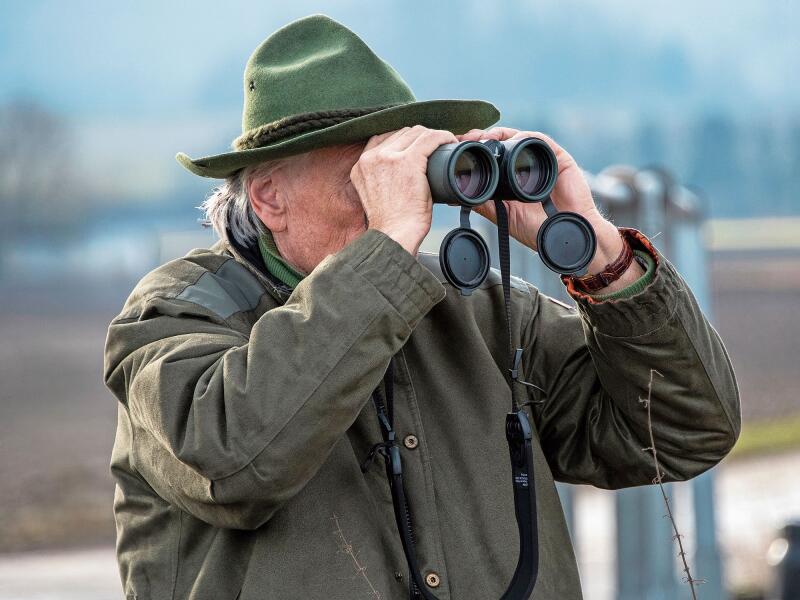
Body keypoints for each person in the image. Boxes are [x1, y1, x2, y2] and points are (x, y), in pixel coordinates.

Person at [103, 13, 740, 600]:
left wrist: (603, 259)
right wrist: (383, 252)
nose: (400, 190)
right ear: (269, 196)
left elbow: (682, 432)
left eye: (409, 166)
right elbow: (238, 458)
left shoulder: (475, 311)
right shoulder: (173, 317)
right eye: (366, 170)